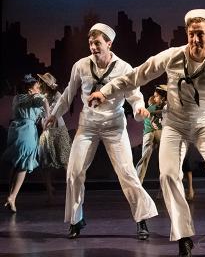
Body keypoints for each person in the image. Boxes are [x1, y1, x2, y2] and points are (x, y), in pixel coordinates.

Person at [89, 9, 205, 257]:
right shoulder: (172, 56)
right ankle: (183, 235)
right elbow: (138, 74)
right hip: (175, 123)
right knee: (168, 175)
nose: (195, 39)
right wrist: (105, 92)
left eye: (200, 34)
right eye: (191, 34)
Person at [46, 23, 157, 239]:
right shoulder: (81, 66)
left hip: (114, 125)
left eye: (97, 43)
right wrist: (54, 113)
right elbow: (69, 93)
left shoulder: (124, 68)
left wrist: (139, 109)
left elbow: (134, 95)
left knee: (127, 172)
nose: (93, 47)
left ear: (109, 43)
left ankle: (141, 219)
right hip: (88, 125)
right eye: (90, 43)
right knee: (74, 172)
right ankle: (76, 220)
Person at [2, 74, 50, 213]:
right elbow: (43, 101)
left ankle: (10, 196)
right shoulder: (31, 97)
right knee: (24, 163)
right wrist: (47, 114)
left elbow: (39, 114)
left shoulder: (19, 98)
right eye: (37, 86)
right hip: (26, 130)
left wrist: (44, 121)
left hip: (16, 129)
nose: (39, 88)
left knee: (17, 163)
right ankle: (12, 197)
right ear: (30, 89)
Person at [37, 72, 71, 203]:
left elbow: (60, 111)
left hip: (58, 130)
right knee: (45, 163)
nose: (39, 83)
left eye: (42, 82)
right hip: (46, 131)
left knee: (65, 160)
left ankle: (71, 190)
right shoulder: (41, 97)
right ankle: (49, 192)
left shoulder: (57, 96)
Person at [136, 85, 167, 183]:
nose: (154, 98)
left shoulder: (165, 107)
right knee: (145, 158)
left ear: (163, 97)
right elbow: (149, 114)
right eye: (154, 96)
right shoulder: (152, 107)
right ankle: (138, 184)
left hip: (157, 133)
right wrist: (152, 118)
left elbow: (165, 112)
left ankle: (163, 187)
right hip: (151, 133)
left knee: (163, 160)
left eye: (156, 96)